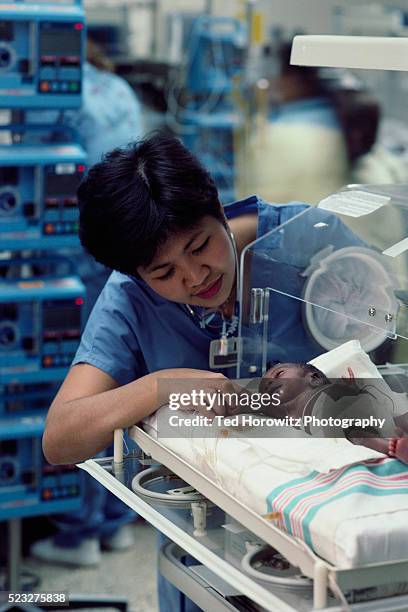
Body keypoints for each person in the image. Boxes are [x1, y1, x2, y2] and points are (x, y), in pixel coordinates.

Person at [42, 132, 362, 611]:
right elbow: (61, 438)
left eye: (200, 246)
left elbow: (385, 342)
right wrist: (160, 385)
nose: (195, 278)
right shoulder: (130, 299)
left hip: (332, 519)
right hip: (204, 538)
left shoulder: (307, 241)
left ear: (219, 207)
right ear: (138, 276)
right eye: (164, 274)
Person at [30, 38, 144, 567]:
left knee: (81, 395)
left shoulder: (54, 96)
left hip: (80, 258)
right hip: (122, 249)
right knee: (114, 384)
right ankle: (115, 520)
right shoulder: (117, 88)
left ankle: (80, 532)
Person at [236, 41, 349, 204]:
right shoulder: (338, 121)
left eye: (278, 74)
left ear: (295, 80)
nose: (274, 81)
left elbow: (263, 208)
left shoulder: (281, 136)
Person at [258, 362, 408, 463]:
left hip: (334, 405)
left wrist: (349, 390)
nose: (270, 382)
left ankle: (390, 445)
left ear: (314, 378)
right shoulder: (285, 415)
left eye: (279, 374)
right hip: (341, 417)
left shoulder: (326, 393)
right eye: (265, 388)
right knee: (366, 429)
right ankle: (394, 442)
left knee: (359, 431)